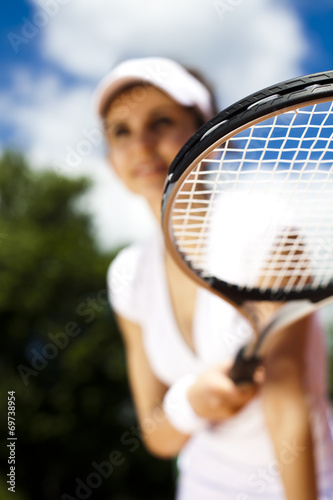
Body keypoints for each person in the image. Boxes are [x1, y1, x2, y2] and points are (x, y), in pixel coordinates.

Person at [94, 57, 333, 500]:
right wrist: (191, 403)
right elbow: (157, 437)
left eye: (161, 121)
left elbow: (288, 402)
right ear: (110, 159)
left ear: (210, 136)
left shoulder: (264, 227)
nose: (141, 144)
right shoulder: (127, 274)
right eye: (120, 131)